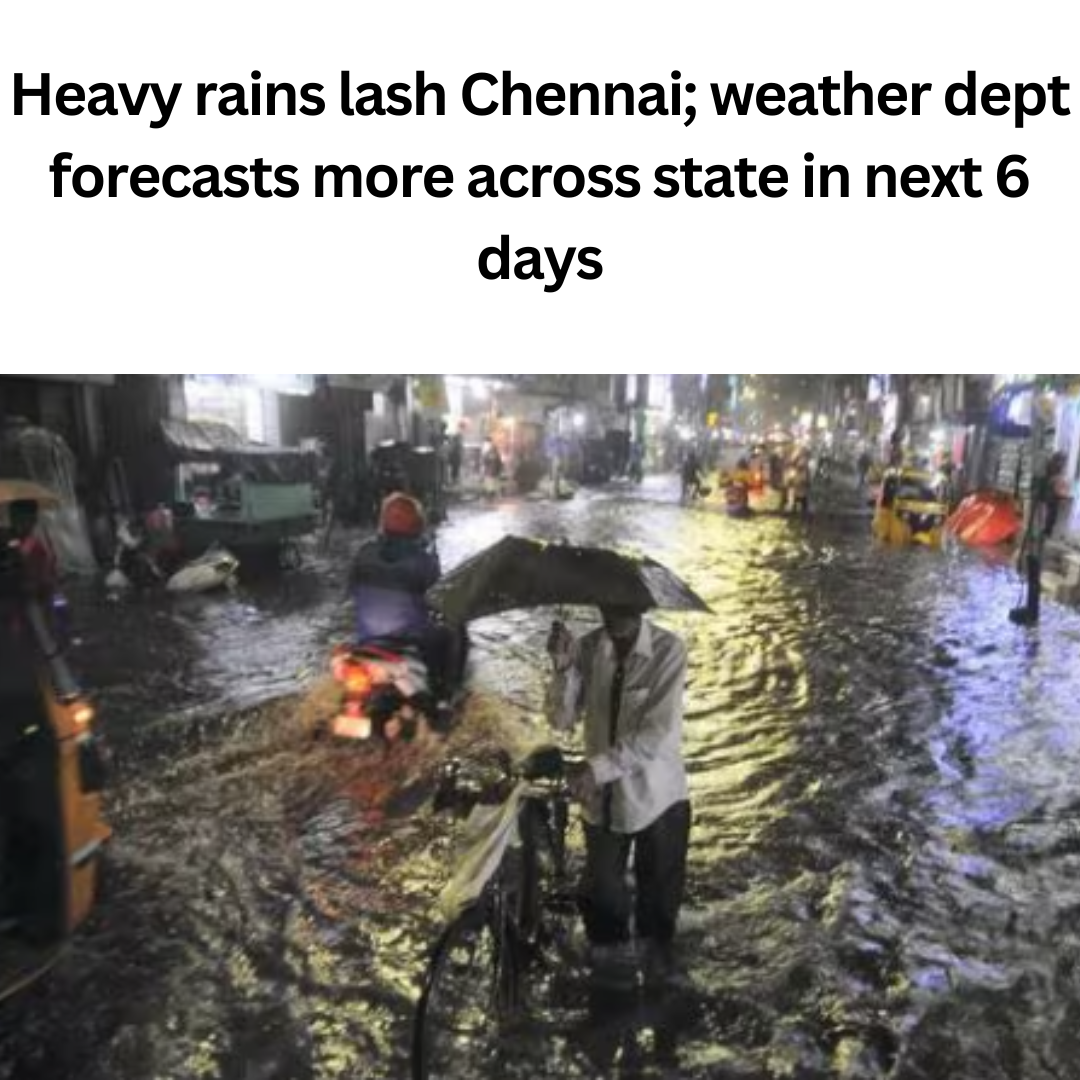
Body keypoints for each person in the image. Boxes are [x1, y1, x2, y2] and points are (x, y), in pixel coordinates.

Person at [546, 605, 692, 984]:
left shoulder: (668, 650)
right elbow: (560, 720)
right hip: (602, 802)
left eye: (624, 600)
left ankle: (658, 980)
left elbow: (654, 737)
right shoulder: (589, 648)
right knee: (600, 898)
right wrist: (562, 666)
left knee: (658, 910)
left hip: (658, 798)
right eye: (608, 601)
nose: (615, 610)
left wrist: (595, 769)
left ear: (642, 603)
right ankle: (611, 990)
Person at [350, 493, 463, 697]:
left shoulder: (364, 553)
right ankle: (444, 695)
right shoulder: (424, 561)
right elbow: (438, 602)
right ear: (417, 524)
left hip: (368, 642)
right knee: (452, 633)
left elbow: (354, 590)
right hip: (410, 643)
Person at [1011, 452, 1071, 627]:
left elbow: (1051, 508)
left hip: (1038, 533)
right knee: (1033, 574)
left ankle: (1032, 612)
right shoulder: (1049, 482)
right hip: (1038, 531)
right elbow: (1048, 508)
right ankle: (1032, 611)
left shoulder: (1049, 482)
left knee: (1034, 574)